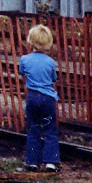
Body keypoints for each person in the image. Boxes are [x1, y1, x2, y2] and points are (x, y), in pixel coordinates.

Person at [19, 24, 60, 171]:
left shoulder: (24, 59)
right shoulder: (50, 62)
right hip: (48, 98)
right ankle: (50, 162)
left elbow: (23, 77)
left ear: (30, 41)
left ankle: (32, 161)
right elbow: (53, 80)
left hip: (32, 97)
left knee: (33, 128)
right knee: (50, 129)